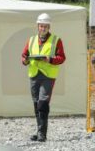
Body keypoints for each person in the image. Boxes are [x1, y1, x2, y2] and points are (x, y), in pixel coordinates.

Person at [21, 12, 66, 142]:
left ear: (49, 27)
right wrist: (25, 61)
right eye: (41, 26)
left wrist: (50, 59)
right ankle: (39, 130)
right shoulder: (31, 40)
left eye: (46, 26)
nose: (43, 28)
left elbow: (62, 58)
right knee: (36, 104)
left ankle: (42, 134)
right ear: (38, 26)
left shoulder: (56, 40)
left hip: (48, 76)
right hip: (34, 74)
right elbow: (24, 55)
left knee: (43, 104)